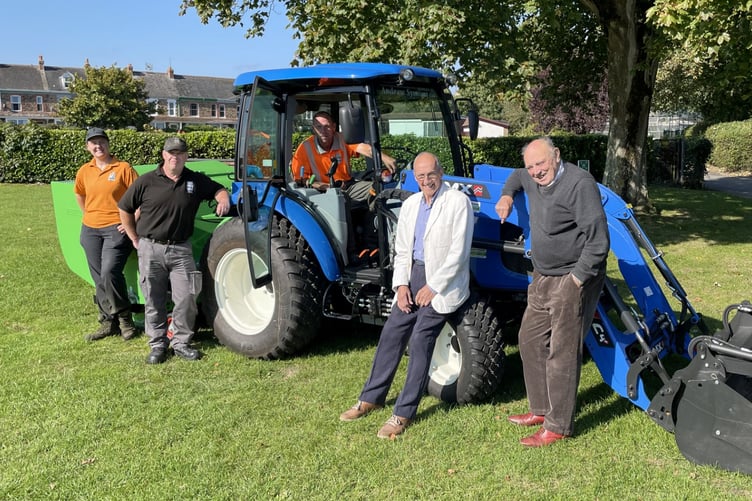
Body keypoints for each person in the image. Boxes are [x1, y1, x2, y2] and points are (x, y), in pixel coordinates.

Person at [339, 152, 474, 438]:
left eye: (431, 174)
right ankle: (371, 398)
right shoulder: (412, 204)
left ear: (441, 172)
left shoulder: (458, 202)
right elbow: (402, 250)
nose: (427, 181)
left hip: (443, 282)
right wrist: (401, 286)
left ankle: (402, 414)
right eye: (420, 176)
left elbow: (459, 253)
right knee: (391, 333)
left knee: (421, 336)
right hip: (413, 276)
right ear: (414, 177)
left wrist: (433, 286)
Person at [494, 136, 609, 447]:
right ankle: (541, 410)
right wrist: (506, 195)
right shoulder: (529, 176)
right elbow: (517, 176)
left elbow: (599, 243)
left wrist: (575, 281)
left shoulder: (579, 184)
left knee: (562, 350)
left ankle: (558, 426)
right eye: (531, 165)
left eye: (541, 163)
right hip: (543, 275)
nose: (535, 171)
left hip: (573, 277)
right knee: (528, 339)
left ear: (556, 156)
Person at [117, 137, 231, 364]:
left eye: (179, 153)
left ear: (186, 156)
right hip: (150, 248)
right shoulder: (147, 181)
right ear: (163, 155)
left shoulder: (194, 180)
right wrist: (134, 238)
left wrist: (223, 199)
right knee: (153, 299)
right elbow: (125, 208)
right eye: (171, 153)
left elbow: (218, 189)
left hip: (181, 250)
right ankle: (158, 344)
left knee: (187, 297)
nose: (175, 157)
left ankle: (181, 343)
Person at [290, 111, 397, 259]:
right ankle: (351, 252)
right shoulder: (305, 148)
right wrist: (323, 185)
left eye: (327, 126)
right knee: (341, 200)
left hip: (348, 185)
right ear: (313, 128)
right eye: (318, 127)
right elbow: (301, 179)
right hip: (322, 193)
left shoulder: (342, 139)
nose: (323, 131)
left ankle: (371, 244)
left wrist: (383, 157)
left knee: (378, 189)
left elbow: (363, 148)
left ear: (334, 127)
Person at [74, 127, 140, 342]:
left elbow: (140, 197)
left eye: (101, 141)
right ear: (87, 147)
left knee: (110, 272)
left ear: (108, 144)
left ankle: (125, 320)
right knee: (98, 277)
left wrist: (130, 221)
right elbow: (80, 195)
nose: (97, 146)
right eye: (93, 143)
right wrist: (89, 216)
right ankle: (107, 322)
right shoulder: (85, 170)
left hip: (116, 229)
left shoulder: (123, 168)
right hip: (90, 230)